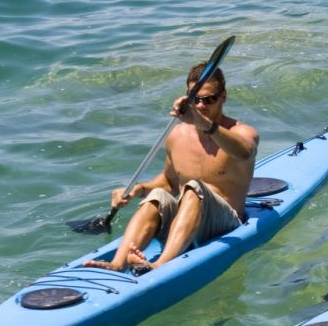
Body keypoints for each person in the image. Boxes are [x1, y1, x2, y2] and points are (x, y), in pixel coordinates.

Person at [84, 63, 259, 271]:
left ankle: (160, 265)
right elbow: (170, 182)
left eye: (209, 99)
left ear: (223, 97)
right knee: (155, 197)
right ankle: (118, 263)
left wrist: (205, 125)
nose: (201, 106)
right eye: (195, 100)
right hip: (187, 221)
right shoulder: (177, 135)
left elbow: (244, 152)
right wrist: (138, 190)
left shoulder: (242, 133)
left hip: (224, 224)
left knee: (194, 188)